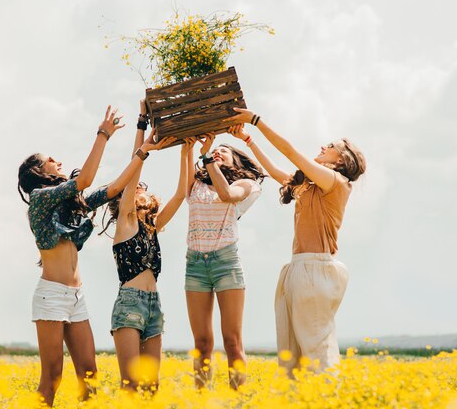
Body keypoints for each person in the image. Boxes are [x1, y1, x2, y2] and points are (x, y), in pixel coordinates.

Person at [17, 106, 166, 407]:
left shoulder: (74, 203)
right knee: (53, 377)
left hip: (76, 297)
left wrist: (143, 151)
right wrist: (103, 135)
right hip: (51, 296)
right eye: (50, 161)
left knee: (89, 378)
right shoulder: (39, 200)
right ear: (38, 172)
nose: (58, 162)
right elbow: (84, 179)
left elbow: (114, 188)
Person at [228, 108, 366, 378]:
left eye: (331, 146)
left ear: (341, 159)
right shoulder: (312, 185)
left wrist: (256, 121)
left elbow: (291, 153)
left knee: (317, 350)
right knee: (293, 355)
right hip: (299, 268)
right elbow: (276, 172)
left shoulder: (336, 182)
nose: (323, 146)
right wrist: (248, 140)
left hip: (315, 269)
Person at [100, 101, 193, 391]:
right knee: (130, 385)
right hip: (129, 303)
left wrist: (186, 150)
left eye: (143, 187)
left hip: (154, 305)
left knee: (151, 388)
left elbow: (181, 194)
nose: (141, 188)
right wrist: (142, 125)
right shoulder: (125, 222)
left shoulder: (152, 226)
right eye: (137, 188)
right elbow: (132, 174)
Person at [184, 132, 265, 389]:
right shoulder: (196, 184)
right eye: (215, 150)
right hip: (195, 263)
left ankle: (237, 401)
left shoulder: (247, 184)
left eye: (224, 151)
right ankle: (201, 401)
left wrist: (207, 156)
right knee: (202, 343)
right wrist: (188, 148)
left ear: (237, 161)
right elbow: (184, 173)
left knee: (232, 340)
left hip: (226, 262)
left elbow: (228, 194)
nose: (218, 152)